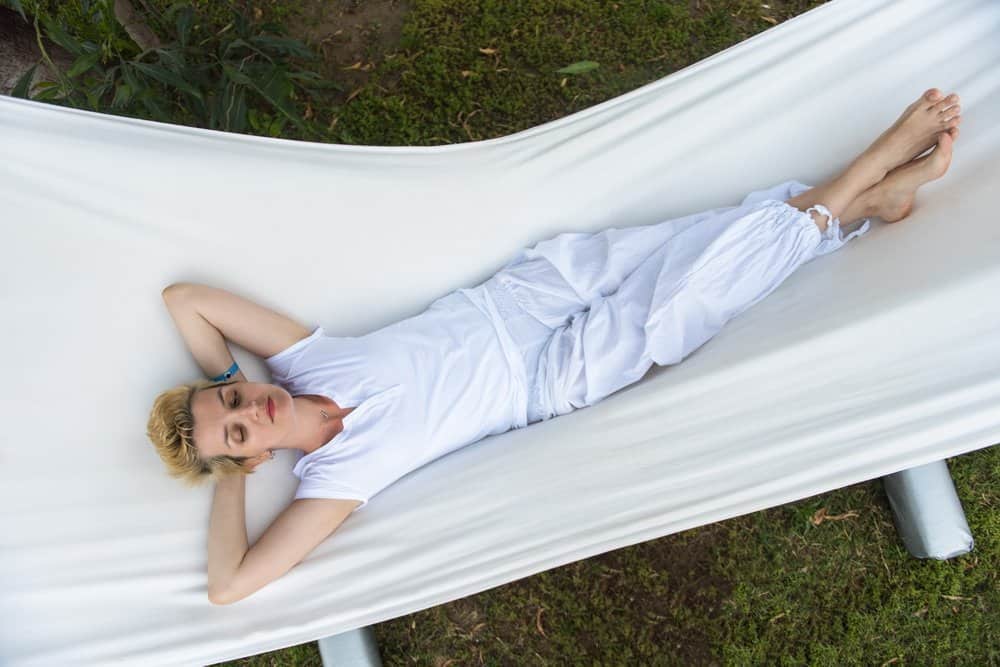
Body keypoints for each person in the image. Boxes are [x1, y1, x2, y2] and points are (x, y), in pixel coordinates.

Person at [146, 88, 961, 604]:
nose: (250, 404)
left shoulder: (298, 362)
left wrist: (219, 378)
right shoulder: (331, 482)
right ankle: (864, 175)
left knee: (699, 240)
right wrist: (225, 474)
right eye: (243, 429)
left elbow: (185, 299)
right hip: (547, 380)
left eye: (231, 397)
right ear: (250, 462)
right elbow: (230, 585)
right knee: (691, 292)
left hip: (524, 293)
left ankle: (863, 207)